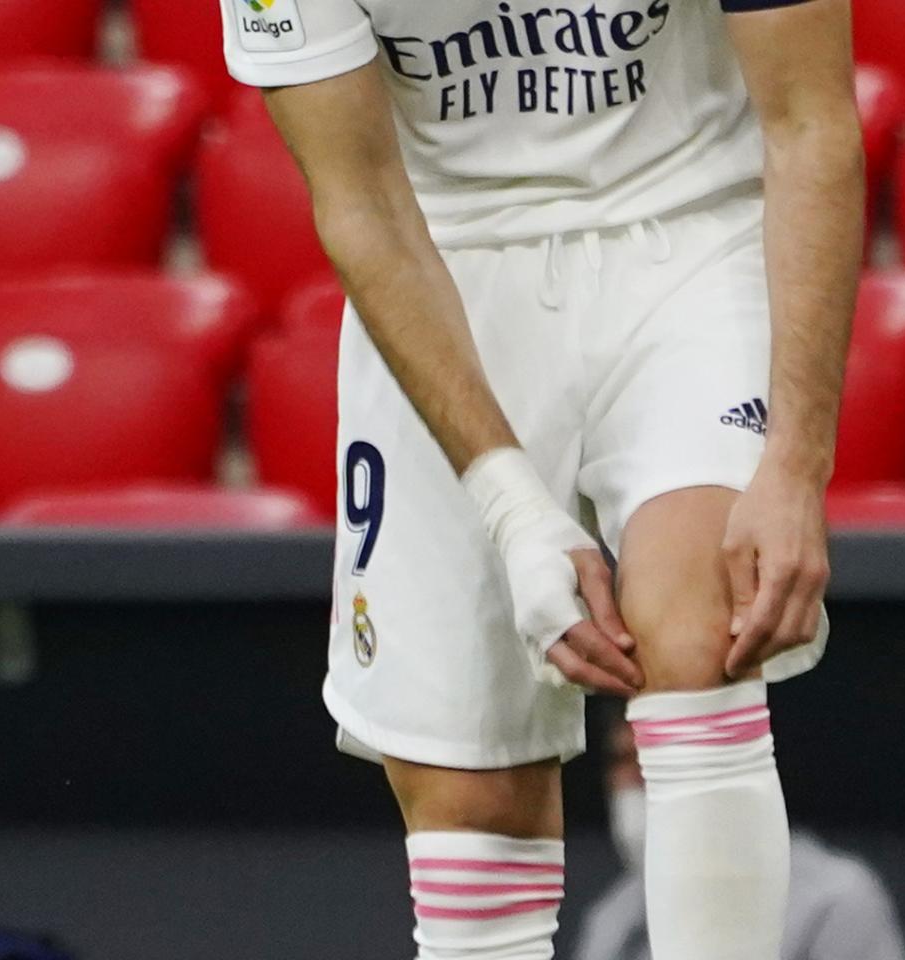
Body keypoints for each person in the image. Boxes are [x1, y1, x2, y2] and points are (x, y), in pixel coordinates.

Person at [217, 0, 863, 956]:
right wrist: (515, 509)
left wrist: (798, 463)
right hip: (448, 262)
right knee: (467, 794)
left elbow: (811, 120)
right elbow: (363, 204)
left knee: (696, 629)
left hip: (689, 228)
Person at [578, 713, 905, 960]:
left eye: (659, 752)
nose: (640, 777)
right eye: (623, 760)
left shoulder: (833, 899)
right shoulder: (613, 918)